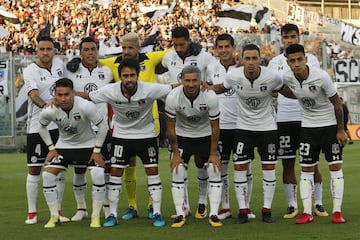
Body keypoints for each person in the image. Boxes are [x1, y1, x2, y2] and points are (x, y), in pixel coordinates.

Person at [86, 58, 178, 227]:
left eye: (132, 75)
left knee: (152, 172)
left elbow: (174, 88)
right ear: (120, 76)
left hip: (147, 135)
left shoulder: (149, 89)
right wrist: (61, 98)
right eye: (125, 75)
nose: (129, 79)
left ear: (138, 75)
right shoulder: (110, 91)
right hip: (121, 136)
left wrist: (202, 85)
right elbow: (88, 96)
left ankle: (156, 212)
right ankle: (112, 215)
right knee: (115, 174)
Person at [210, 44, 283, 224]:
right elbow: (221, 88)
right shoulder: (233, 76)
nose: (250, 62)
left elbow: (285, 89)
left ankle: (267, 210)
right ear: (241, 60)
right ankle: (243, 210)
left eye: (254, 58)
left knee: (268, 168)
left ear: (260, 59)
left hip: (267, 128)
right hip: (243, 128)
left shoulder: (272, 76)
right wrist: (204, 88)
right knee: (240, 167)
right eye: (247, 58)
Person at [268, 23, 327, 219]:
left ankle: (317, 202)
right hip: (284, 118)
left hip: (307, 118)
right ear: (281, 39)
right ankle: (292, 204)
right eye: (286, 37)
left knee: (312, 163)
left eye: (293, 36)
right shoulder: (274, 63)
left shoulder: (312, 60)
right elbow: (272, 88)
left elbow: (314, 88)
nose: (289, 40)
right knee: (287, 163)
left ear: (299, 38)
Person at [283, 44, 347, 224]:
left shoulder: (321, 77)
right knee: (306, 170)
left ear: (306, 59)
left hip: (329, 127)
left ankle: (336, 211)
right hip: (308, 128)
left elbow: (337, 103)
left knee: (334, 167)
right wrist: (279, 90)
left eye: (299, 60)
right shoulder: (288, 77)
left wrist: (341, 130)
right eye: (292, 61)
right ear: (287, 62)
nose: (296, 64)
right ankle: (307, 212)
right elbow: (294, 93)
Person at [161, 26, 217, 219]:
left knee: (202, 165)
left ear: (189, 40)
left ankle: (202, 202)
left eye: (182, 44)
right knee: (178, 167)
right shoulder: (169, 57)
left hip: (200, 120)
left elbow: (215, 79)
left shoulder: (205, 57)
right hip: (179, 118)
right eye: (175, 44)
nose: (178, 48)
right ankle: (183, 206)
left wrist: (207, 85)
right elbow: (154, 65)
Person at [39, 77, 109, 228]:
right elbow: (42, 126)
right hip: (64, 146)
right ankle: (54, 216)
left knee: (97, 174)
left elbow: (103, 126)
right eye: (59, 95)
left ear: (73, 93)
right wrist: (51, 148)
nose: (63, 98)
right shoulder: (49, 110)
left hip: (88, 145)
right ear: (55, 95)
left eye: (67, 94)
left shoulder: (86, 106)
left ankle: (95, 217)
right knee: (47, 175)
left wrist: (97, 151)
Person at [166, 65, 222, 228]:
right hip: (183, 136)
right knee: (178, 170)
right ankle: (180, 213)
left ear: (200, 80)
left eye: (194, 80)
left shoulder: (210, 96)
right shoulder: (172, 97)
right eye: (187, 80)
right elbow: (170, 126)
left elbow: (215, 126)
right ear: (181, 81)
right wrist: (176, 153)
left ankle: (214, 214)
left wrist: (213, 153)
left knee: (214, 169)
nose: (191, 84)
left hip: (205, 135)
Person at [205, 33, 255, 220]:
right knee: (221, 169)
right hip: (220, 126)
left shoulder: (244, 67)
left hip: (243, 125)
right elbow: (207, 92)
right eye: (220, 47)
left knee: (246, 168)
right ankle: (225, 207)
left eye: (227, 46)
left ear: (234, 48)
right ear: (216, 49)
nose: (224, 50)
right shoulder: (211, 68)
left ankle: (246, 206)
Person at [64, 36, 114, 221]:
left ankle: (107, 207)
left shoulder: (107, 71)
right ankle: (81, 209)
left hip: (102, 126)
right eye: (86, 49)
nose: (90, 53)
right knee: (79, 169)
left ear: (97, 50)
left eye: (93, 49)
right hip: (80, 128)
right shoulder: (70, 72)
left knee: (105, 167)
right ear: (80, 52)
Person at [23, 36, 69, 224]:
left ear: (54, 50)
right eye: (42, 49)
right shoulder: (30, 71)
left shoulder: (60, 65)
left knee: (58, 170)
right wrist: (47, 108)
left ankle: (56, 211)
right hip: (37, 127)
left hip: (59, 127)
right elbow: (33, 95)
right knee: (34, 169)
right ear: (37, 50)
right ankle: (32, 212)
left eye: (49, 49)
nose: (45, 52)